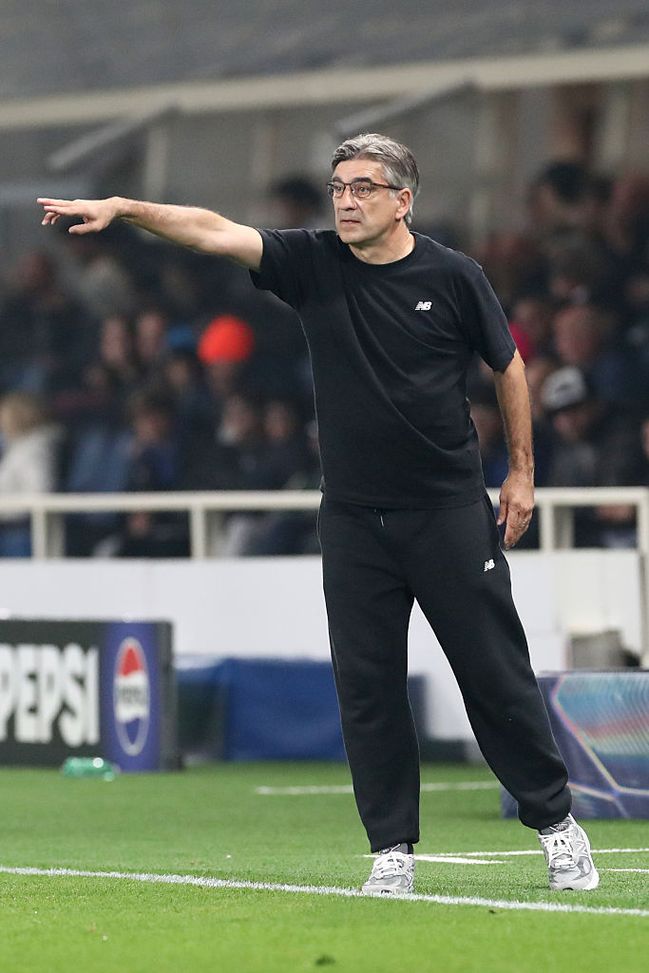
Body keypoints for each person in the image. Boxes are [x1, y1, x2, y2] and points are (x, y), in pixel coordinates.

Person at [37, 133, 598, 896]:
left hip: (446, 510)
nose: (345, 199)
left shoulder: (453, 275)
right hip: (353, 516)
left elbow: (507, 365)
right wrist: (124, 208)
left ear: (403, 199)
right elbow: (210, 229)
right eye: (338, 186)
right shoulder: (311, 262)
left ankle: (558, 825)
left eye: (364, 187)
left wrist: (522, 475)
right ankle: (391, 849)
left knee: (493, 677)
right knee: (366, 686)